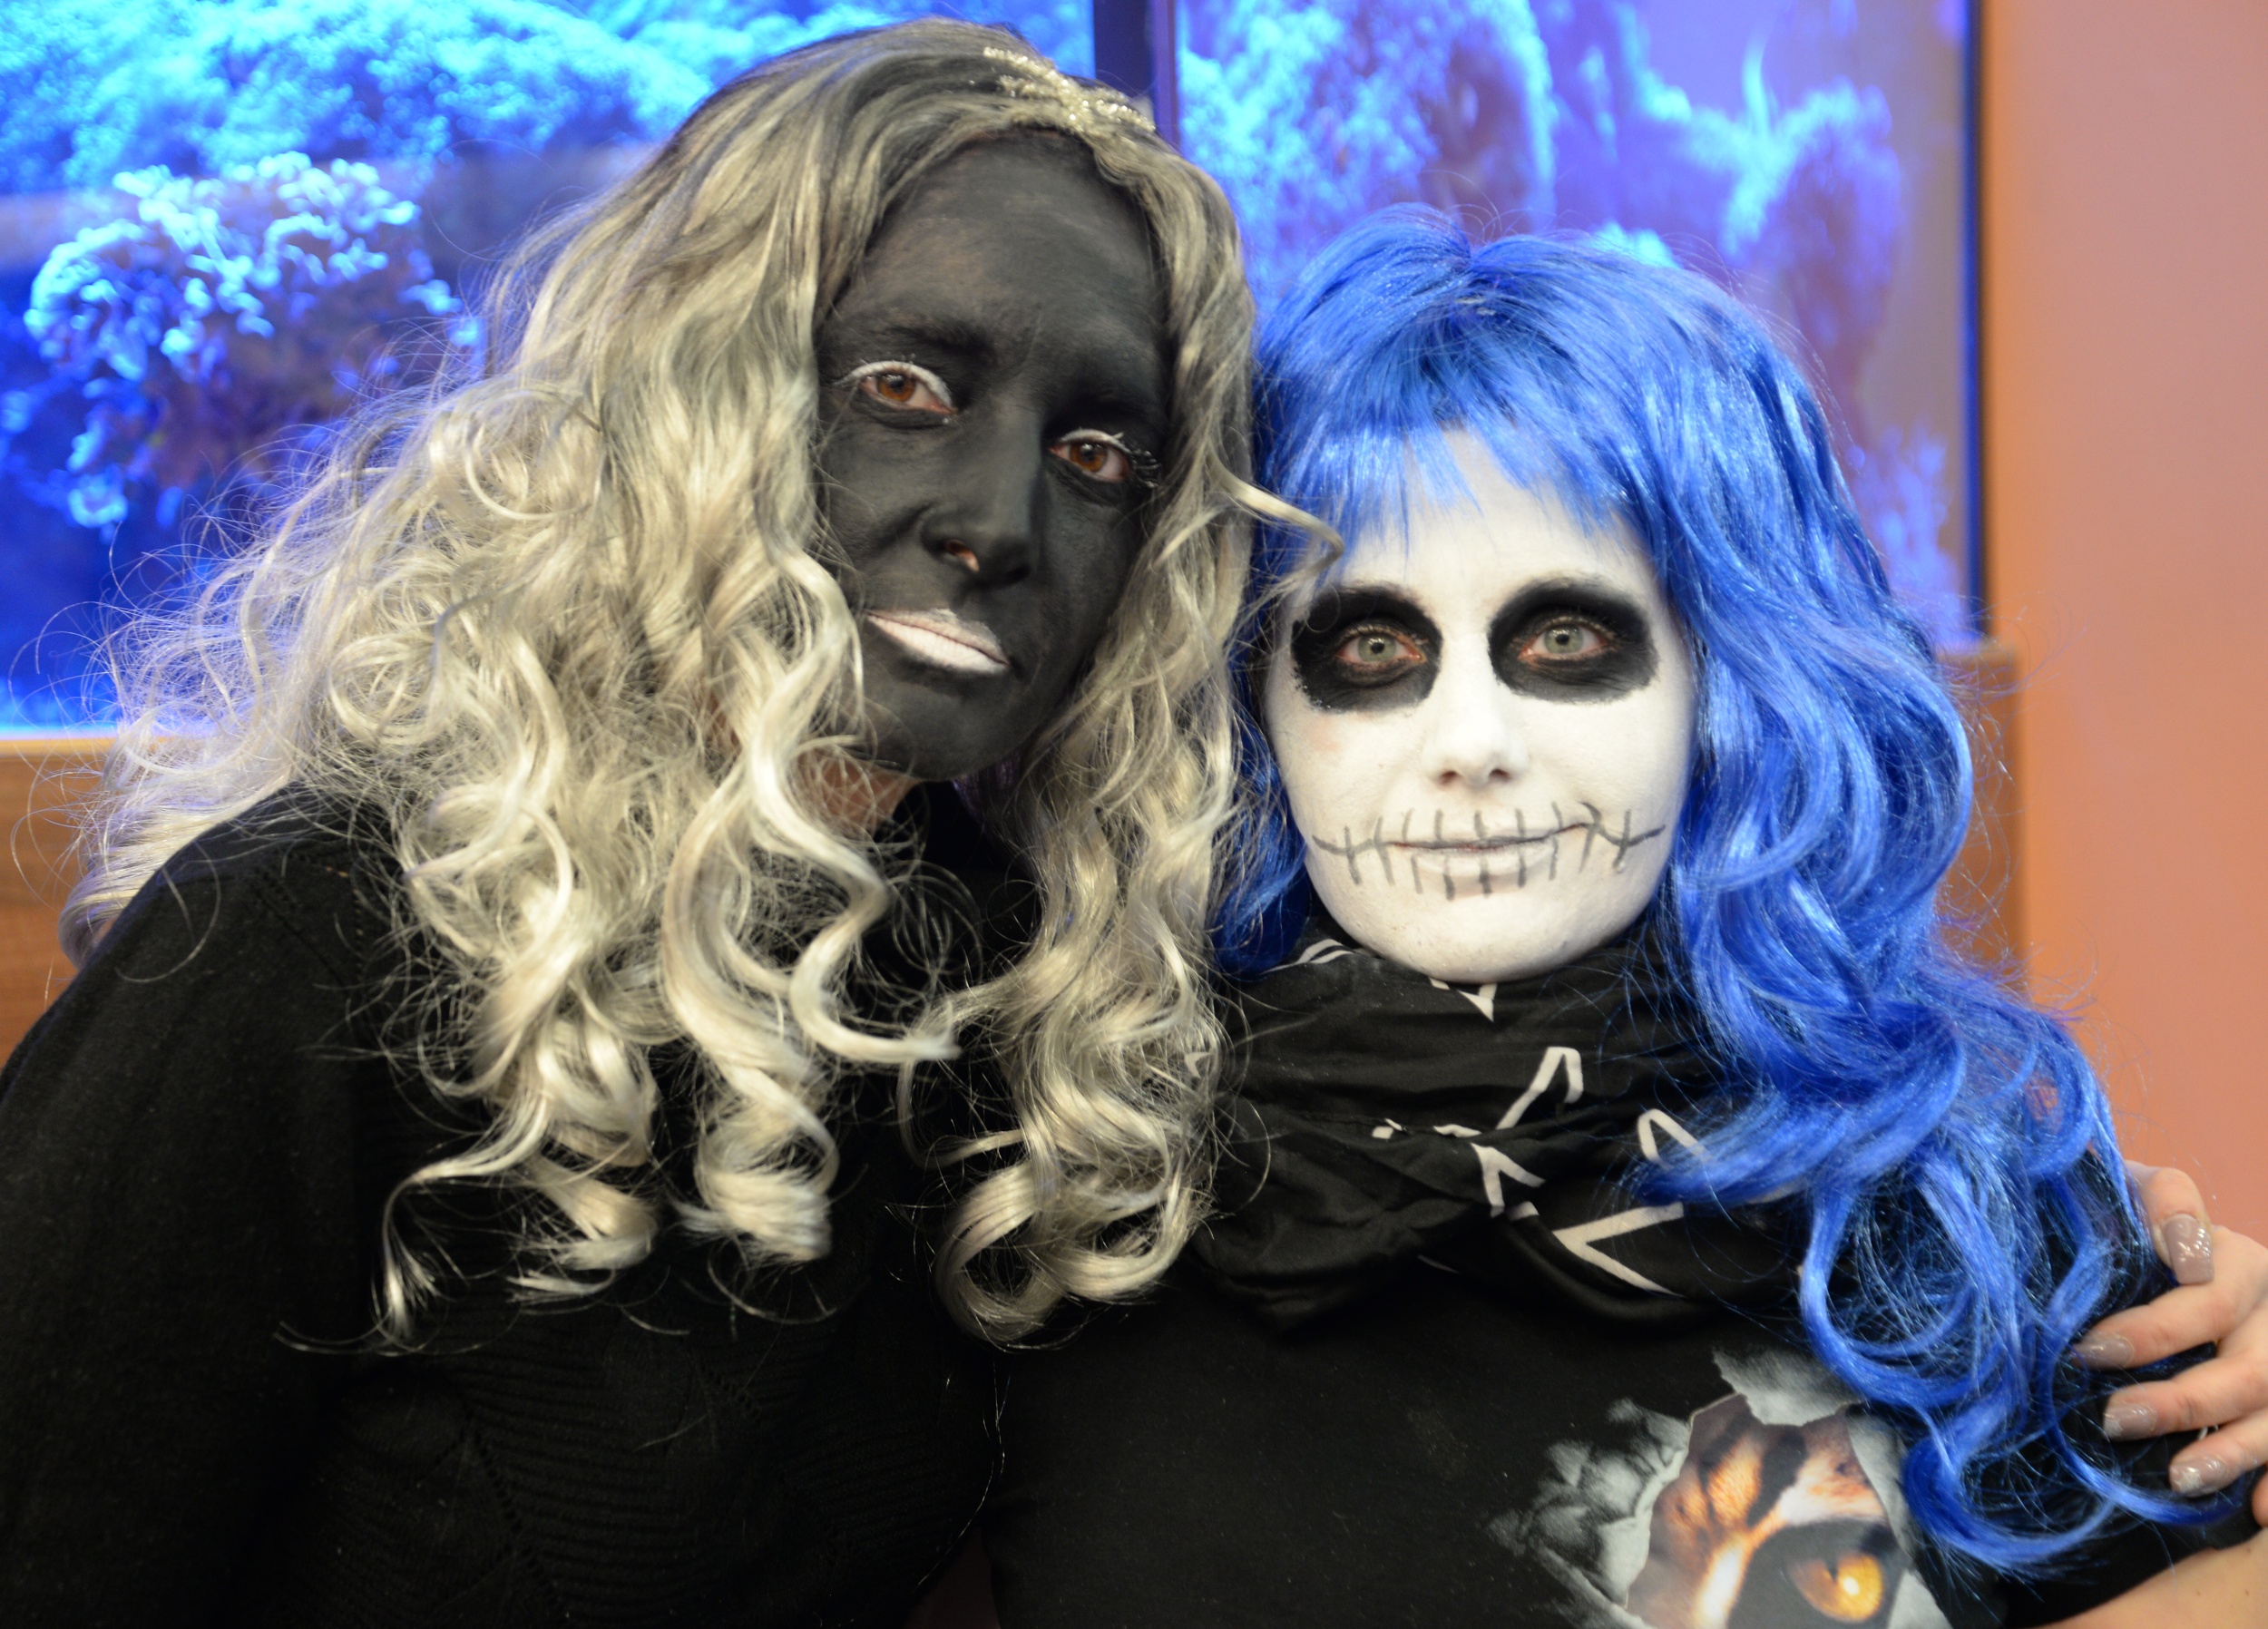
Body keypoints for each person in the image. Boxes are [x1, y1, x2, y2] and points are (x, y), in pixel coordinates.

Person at [0, 21, 1279, 1624]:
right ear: (694, 399)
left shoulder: (1012, 997)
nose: (996, 521)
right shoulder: (302, 945)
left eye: (1096, 454)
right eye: (903, 389)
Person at [982, 218, 2268, 1626]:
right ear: (1260, 709)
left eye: (1564, 641)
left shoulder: (1974, 1229)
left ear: (1726, 688)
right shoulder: (1066, 1202)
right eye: (1373, 648)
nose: (1470, 744)